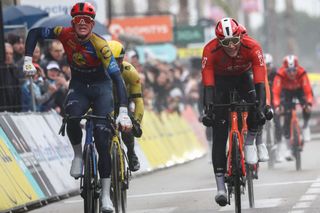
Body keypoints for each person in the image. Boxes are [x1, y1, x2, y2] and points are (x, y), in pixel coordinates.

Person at [22, 2, 132, 212]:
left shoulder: (101, 45)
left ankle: (106, 197)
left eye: (87, 21)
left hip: (102, 88)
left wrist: (124, 111)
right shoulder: (64, 33)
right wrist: (28, 59)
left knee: (102, 140)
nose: (83, 24)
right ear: (73, 23)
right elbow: (35, 32)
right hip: (79, 87)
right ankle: (78, 155)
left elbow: (118, 79)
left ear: (92, 24)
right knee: (72, 117)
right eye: (78, 20)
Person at [201, 17, 268, 206]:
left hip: (243, 78)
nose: (231, 46)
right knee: (219, 133)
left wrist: (261, 107)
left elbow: (261, 80)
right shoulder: (210, 49)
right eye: (225, 43)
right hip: (219, 82)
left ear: (240, 36)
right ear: (218, 41)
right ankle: (220, 187)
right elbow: (208, 83)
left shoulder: (252, 46)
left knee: (256, 109)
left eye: (234, 41)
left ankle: (249, 143)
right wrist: (209, 110)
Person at [108, 40, 144, 172]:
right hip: (104, 103)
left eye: (118, 60)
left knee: (128, 127)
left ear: (122, 59)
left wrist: (137, 122)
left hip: (123, 103)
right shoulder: (99, 70)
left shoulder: (130, 71)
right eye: (111, 60)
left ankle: (131, 152)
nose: (114, 64)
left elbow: (138, 101)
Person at [272, 54, 313, 159]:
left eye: (294, 70)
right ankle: (289, 148)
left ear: (297, 68)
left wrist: (308, 103)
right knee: (286, 116)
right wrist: (277, 106)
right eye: (289, 71)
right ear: (285, 69)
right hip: (287, 92)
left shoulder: (302, 73)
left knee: (307, 106)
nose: (292, 73)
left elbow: (308, 91)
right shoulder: (280, 74)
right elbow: (276, 92)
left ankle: (306, 126)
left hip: (300, 90)